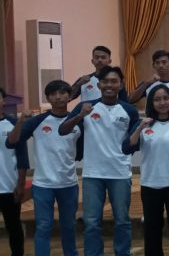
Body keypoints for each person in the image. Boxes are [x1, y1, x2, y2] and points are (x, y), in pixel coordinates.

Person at [59, 66, 140, 256]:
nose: (109, 85)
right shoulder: (85, 106)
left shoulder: (129, 110)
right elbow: (62, 130)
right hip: (92, 174)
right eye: (105, 81)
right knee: (92, 222)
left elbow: (132, 143)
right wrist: (80, 116)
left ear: (121, 85)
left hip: (120, 173)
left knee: (122, 221)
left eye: (114, 81)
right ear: (99, 84)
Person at [6, 80, 81, 256]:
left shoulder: (77, 121)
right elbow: (11, 142)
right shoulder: (38, 121)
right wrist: (20, 122)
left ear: (70, 96)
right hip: (43, 185)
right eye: (53, 94)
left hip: (69, 184)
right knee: (43, 226)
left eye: (62, 93)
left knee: (69, 225)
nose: (58, 97)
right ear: (48, 98)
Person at [123, 85, 169, 256]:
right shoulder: (144, 125)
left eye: (166, 98)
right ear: (151, 103)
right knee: (152, 229)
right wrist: (140, 127)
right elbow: (127, 148)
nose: (162, 103)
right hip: (150, 184)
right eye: (157, 99)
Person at [0, 87, 29, 256]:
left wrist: (21, 183)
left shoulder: (13, 123)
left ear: (3, 100)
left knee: (13, 227)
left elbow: (22, 156)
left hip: (8, 186)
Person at [127, 50, 169, 119]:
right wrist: (146, 84)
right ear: (153, 65)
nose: (161, 65)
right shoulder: (147, 84)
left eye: (164, 62)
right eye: (157, 63)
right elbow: (130, 100)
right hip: (151, 123)